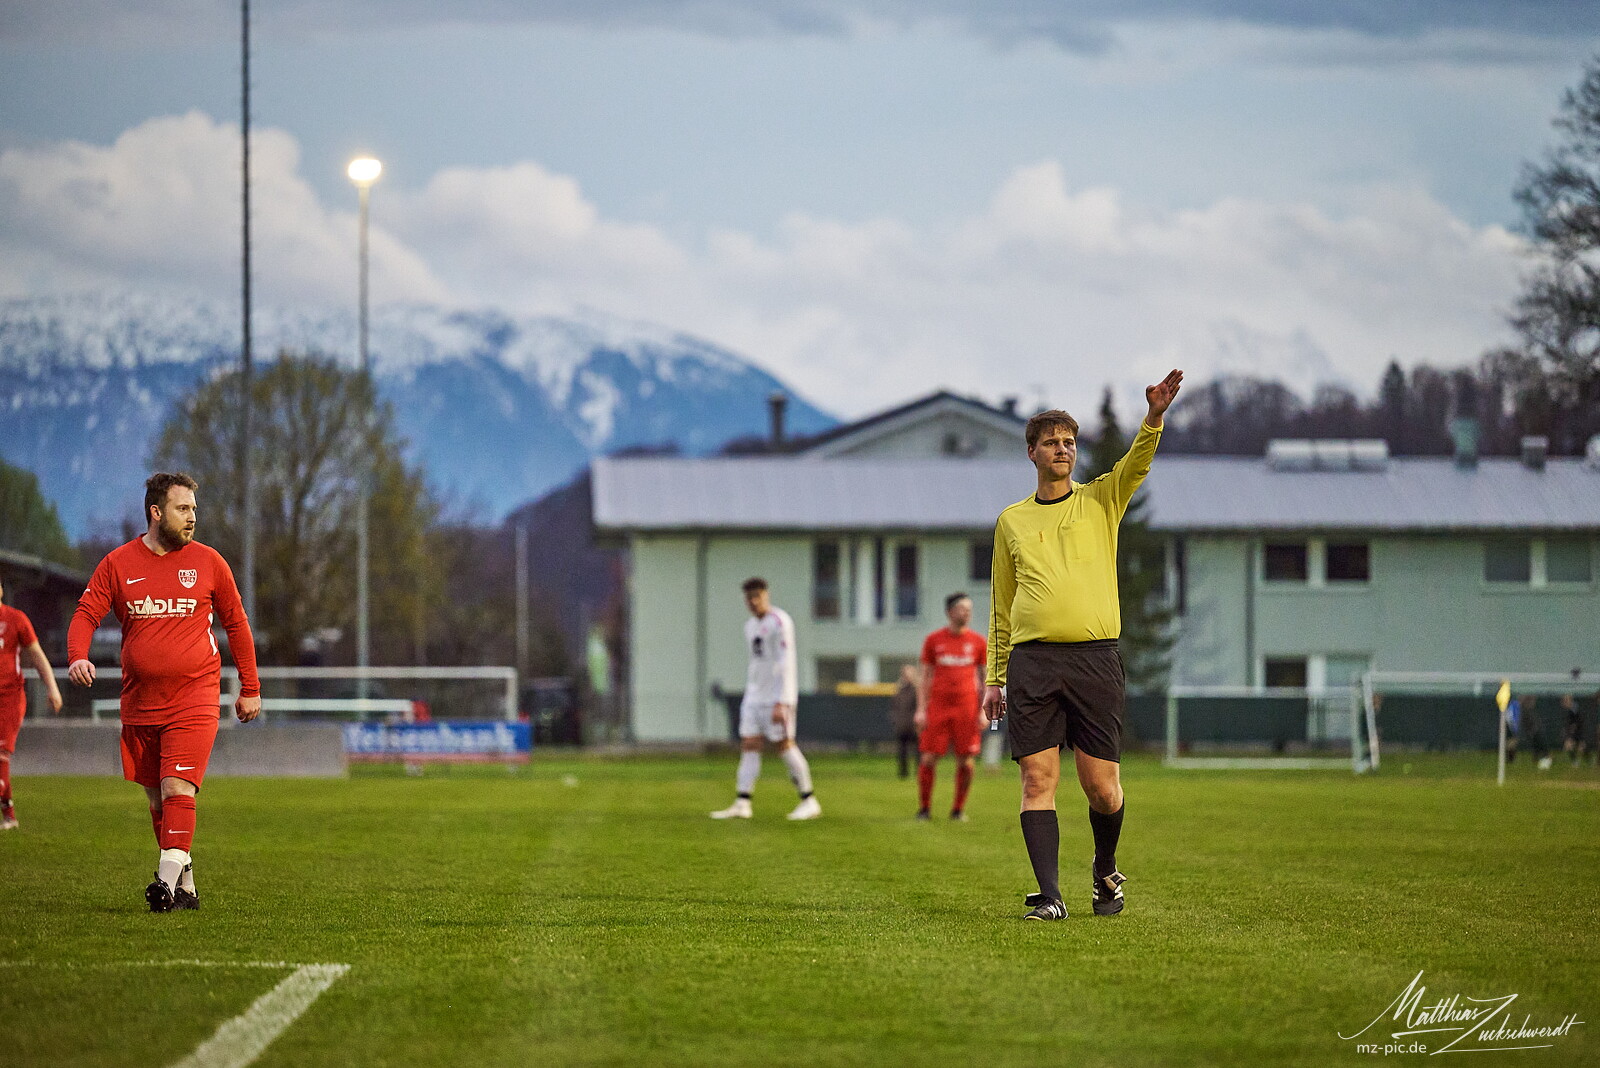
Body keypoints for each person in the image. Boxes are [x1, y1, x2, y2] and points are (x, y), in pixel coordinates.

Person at [983, 369, 1183, 921]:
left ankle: (1104, 869)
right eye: (1051, 442)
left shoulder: (1101, 501)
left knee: (1103, 789)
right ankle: (1050, 897)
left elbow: (1136, 464)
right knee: (1037, 779)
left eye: (1070, 442)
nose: (1063, 449)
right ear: (1032, 453)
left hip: (1095, 660)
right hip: (1032, 663)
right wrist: (994, 678)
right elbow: (1001, 605)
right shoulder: (1011, 522)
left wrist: (1154, 417)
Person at [67, 472, 261, 912]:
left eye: (194, 509)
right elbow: (85, 614)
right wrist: (78, 655)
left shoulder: (209, 562)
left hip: (195, 696)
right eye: (183, 508)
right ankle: (186, 883)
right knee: (158, 799)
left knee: (177, 787)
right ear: (156, 512)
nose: (192, 517)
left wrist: (250, 687)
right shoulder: (117, 563)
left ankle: (164, 882)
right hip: (140, 702)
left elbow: (237, 623)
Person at [710, 578, 821, 821]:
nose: (752, 602)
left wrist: (782, 700)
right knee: (749, 744)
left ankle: (809, 800)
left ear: (766, 596)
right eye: (749, 598)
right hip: (754, 695)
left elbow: (785, 662)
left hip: (776, 697)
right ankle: (743, 802)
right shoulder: (750, 626)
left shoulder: (779, 622)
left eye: (756, 596)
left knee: (784, 745)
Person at [0, 575, 65, 829]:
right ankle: (9, 816)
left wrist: (53, 688)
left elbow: (37, 655)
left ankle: (9, 816)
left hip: (9, 697)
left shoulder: (16, 619)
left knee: (2, 753)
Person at [915, 592, 987, 821]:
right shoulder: (934, 640)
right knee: (928, 758)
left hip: (967, 709)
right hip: (938, 708)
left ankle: (958, 809)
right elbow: (924, 676)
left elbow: (985, 678)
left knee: (966, 760)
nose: (967, 613)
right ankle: (924, 808)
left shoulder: (978, 642)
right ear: (949, 612)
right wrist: (920, 709)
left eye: (969, 609)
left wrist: (983, 711)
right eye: (962, 608)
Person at [888, 663, 919, 779]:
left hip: (915, 725)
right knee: (902, 750)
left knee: (919, 751)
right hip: (902, 724)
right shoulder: (899, 690)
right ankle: (903, 773)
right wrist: (895, 720)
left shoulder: (917, 690)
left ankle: (919, 773)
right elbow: (894, 707)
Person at [1559, 693, 1586, 767]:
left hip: (1577, 731)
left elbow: (1579, 721)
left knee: (1580, 747)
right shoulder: (1569, 709)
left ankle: (1586, 759)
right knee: (1568, 745)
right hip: (1572, 731)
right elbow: (1568, 722)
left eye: (1566, 700)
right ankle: (1575, 761)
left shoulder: (1575, 709)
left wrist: (1573, 727)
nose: (1564, 702)